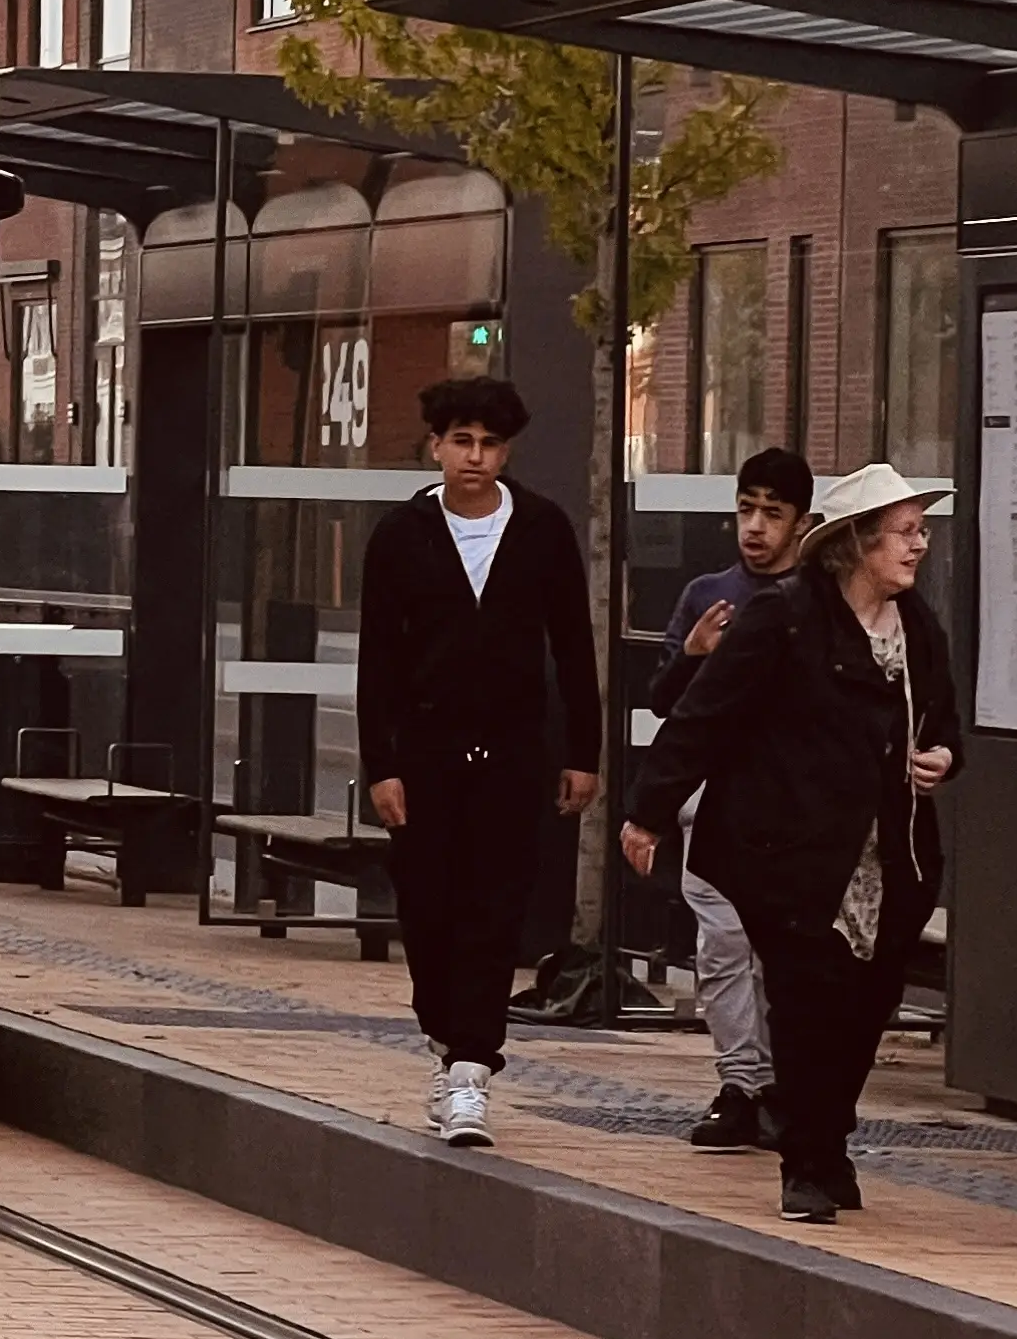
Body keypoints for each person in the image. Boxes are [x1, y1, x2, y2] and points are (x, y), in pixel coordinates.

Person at [625, 464, 963, 1226]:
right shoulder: (784, 617)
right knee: (808, 1008)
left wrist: (941, 758)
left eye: (921, 531)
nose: (920, 546)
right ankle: (806, 1163)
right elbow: (703, 717)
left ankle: (829, 1140)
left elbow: (943, 726)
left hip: (891, 857)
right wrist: (647, 813)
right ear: (857, 543)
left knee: (865, 1010)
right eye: (906, 532)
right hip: (792, 852)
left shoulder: (919, 625)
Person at [358, 376, 603, 1149]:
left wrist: (583, 754)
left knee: (494, 910)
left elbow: (573, 645)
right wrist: (381, 764)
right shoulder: (400, 537)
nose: (476, 457)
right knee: (429, 911)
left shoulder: (542, 529)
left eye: (490, 444)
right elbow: (378, 661)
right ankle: (444, 1036)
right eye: (462, 441)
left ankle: (470, 1070)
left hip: (512, 752)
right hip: (424, 755)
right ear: (435, 446)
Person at [648, 447, 815, 1152]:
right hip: (713, 799)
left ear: (801, 524)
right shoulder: (707, 595)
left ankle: (781, 1085)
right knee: (722, 946)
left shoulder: (815, 598)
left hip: (786, 802)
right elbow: (662, 702)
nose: (755, 527)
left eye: (772, 514)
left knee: (780, 950)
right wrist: (691, 654)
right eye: (746, 510)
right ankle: (739, 1085)